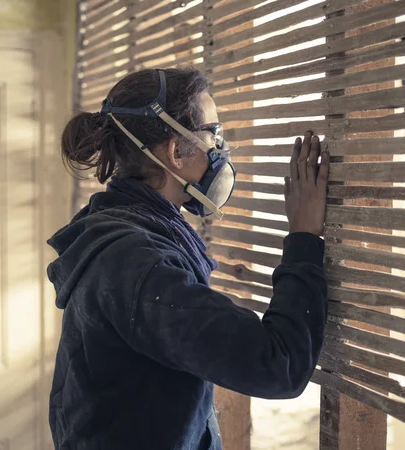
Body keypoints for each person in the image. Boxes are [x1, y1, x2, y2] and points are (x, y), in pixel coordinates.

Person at [47, 67, 329, 450]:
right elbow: (279, 365)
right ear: (176, 151)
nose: (221, 147)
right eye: (214, 133)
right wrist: (303, 238)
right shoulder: (137, 264)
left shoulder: (116, 230)